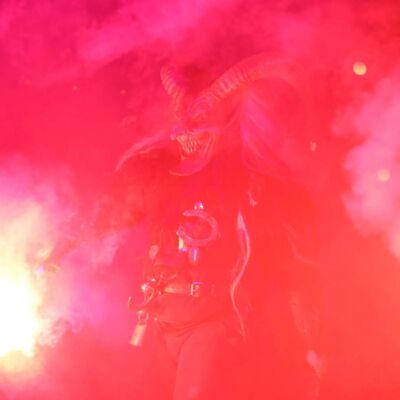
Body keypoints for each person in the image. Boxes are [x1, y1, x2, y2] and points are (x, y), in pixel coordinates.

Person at [45, 53, 320, 399]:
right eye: (181, 118)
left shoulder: (247, 185)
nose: (186, 130)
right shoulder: (157, 180)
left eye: (201, 119)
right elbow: (107, 218)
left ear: (228, 123)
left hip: (210, 327)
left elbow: (290, 270)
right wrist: (57, 249)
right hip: (155, 325)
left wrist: (312, 345)